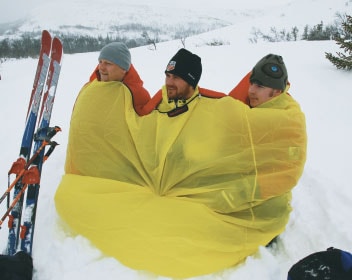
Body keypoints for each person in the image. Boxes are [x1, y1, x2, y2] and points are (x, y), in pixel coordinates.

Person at [55, 49, 306, 278]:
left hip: (250, 202)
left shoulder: (280, 117)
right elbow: (141, 118)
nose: (252, 90)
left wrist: (232, 196)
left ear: (276, 91)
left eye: (260, 86)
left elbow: (282, 165)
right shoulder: (163, 104)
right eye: (167, 75)